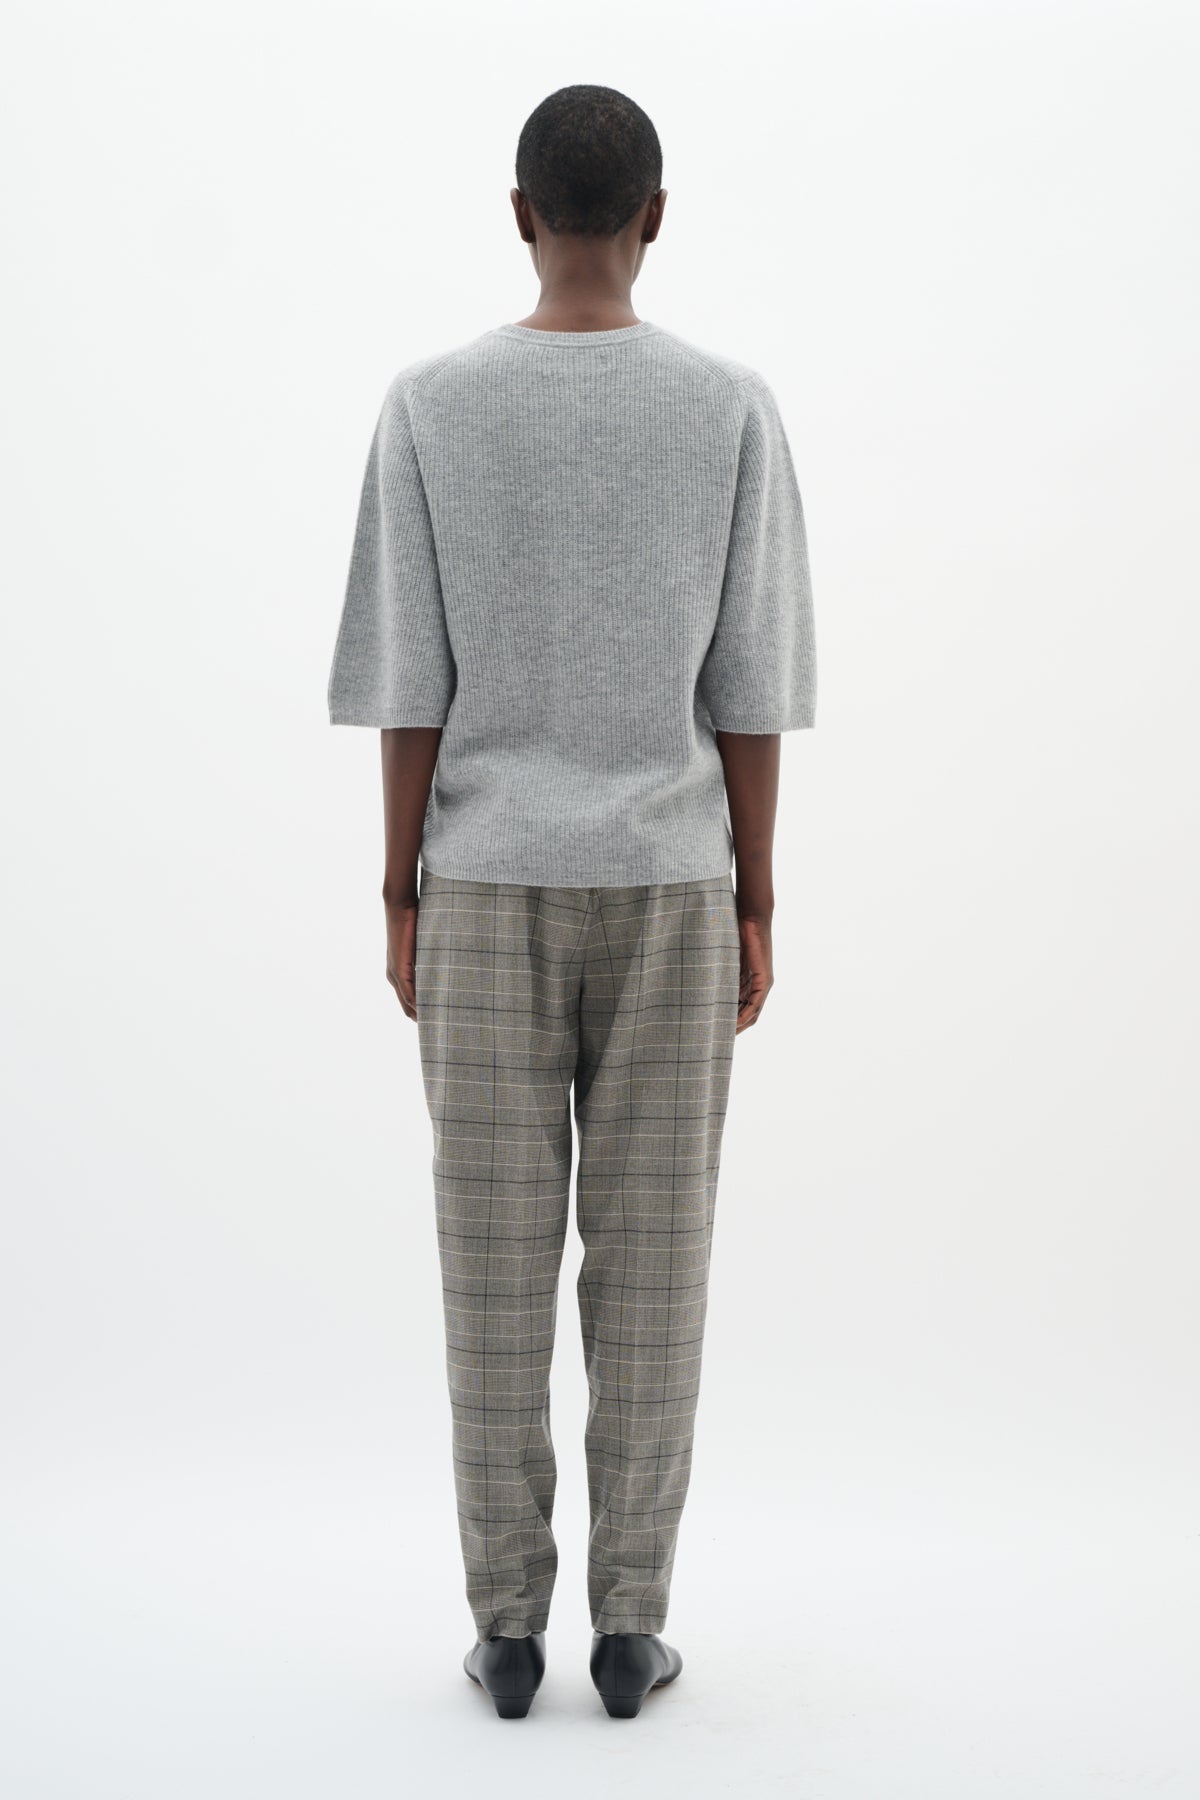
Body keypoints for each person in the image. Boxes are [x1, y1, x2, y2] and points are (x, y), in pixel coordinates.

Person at [327, 82, 816, 1721]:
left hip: (480, 883)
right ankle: (628, 1626)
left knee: (491, 1263)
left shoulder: (431, 406)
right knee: (655, 1270)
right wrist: (757, 892)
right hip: (673, 882)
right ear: (655, 216)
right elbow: (751, 688)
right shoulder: (729, 407)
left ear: (521, 213)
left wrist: (398, 885)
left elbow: (408, 680)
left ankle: (505, 1628)